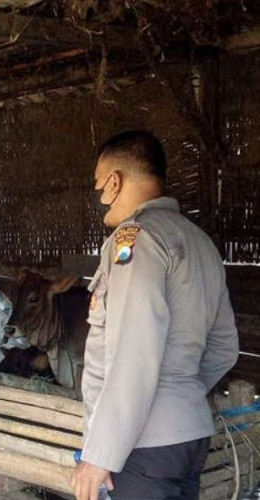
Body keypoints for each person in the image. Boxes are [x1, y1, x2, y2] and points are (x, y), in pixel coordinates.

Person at [71, 130, 239, 500]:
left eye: (100, 186)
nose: (100, 197)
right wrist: (181, 392)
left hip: (143, 446)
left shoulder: (137, 239)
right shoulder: (199, 242)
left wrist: (100, 455)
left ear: (114, 182)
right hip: (189, 435)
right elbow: (226, 346)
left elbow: (135, 353)